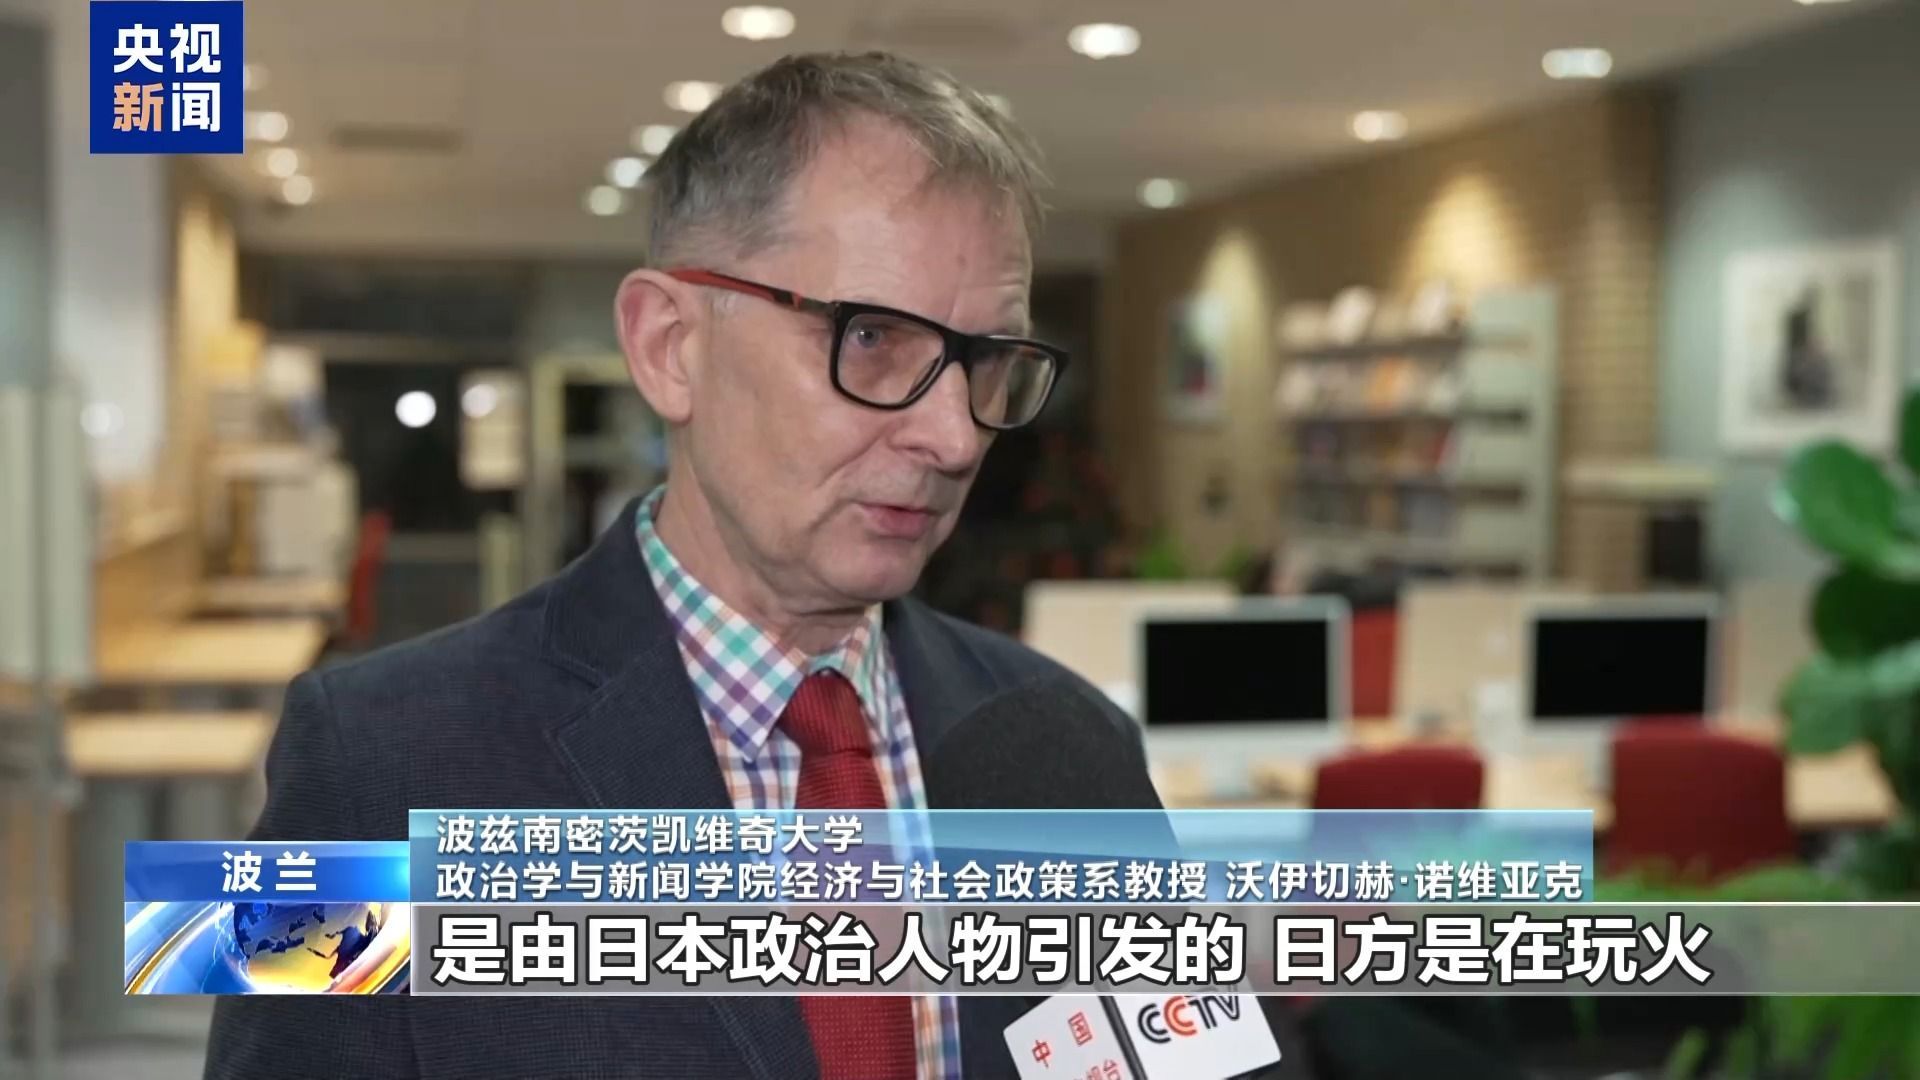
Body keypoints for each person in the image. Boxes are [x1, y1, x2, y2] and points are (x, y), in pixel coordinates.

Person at [203, 51, 1156, 1080]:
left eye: (988, 362)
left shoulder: (1073, 754)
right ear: (669, 346)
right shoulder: (374, 764)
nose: (955, 437)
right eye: (873, 338)